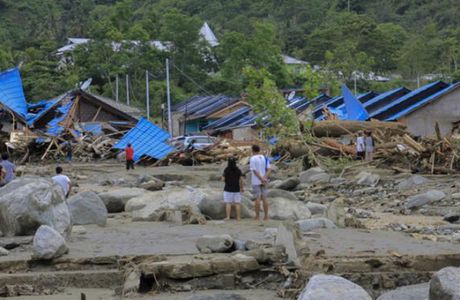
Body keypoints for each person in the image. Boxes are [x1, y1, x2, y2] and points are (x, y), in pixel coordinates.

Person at [250, 145, 271, 221]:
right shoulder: (265, 158)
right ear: (259, 150)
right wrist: (264, 178)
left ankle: (257, 217)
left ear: (253, 150)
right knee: (265, 198)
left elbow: (254, 171)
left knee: (257, 198)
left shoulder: (252, 158)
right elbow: (269, 169)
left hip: (256, 181)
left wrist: (261, 178)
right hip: (264, 181)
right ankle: (266, 216)